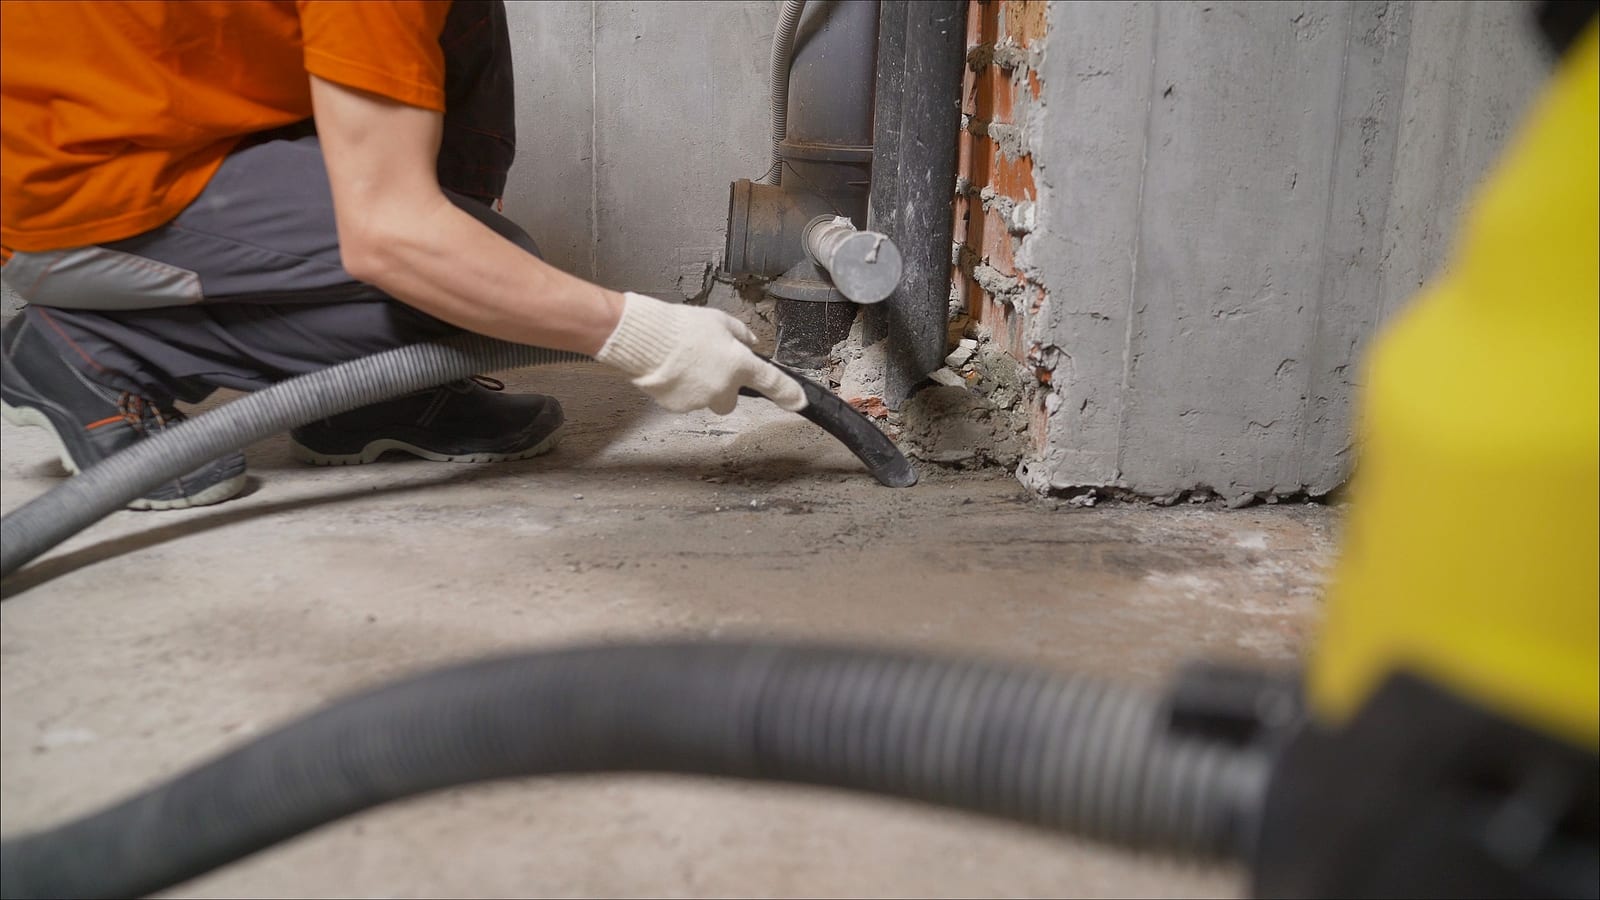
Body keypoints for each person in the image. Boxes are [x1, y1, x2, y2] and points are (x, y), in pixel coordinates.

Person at [0, 0, 804, 510]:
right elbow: (391, 232)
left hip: (185, 118)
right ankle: (90, 347)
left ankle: (363, 399)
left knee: (466, 36)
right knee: (462, 279)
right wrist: (641, 335)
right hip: (74, 188)